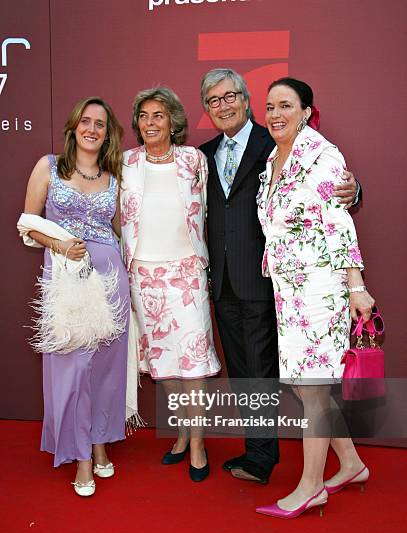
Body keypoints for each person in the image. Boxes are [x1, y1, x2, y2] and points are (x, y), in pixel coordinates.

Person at [199, 68, 359, 484]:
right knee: (250, 375)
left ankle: (263, 458)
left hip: (274, 284)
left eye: (230, 96)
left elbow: (333, 199)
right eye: (213, 100)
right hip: (230, 284)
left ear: (244, 99)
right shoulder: (204, 154)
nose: (223, 105)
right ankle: (268, 452)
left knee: (283, 377)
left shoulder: (277, 140)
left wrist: (353, 190)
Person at [255, 77, 374, 518]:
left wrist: (355, 286)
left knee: (313, 387)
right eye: (269, 106)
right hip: (289, 293)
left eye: (285, 105)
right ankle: (350, 463)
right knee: (313, 389)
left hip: (321, 291)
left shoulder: (322, 156)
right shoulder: (272, 160)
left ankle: (310, 486)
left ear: (306, 110)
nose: (275, 114)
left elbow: (338, 224)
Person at [20, 97, 129, 497]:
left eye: (101, 124)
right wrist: (61, 245)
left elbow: (122, 228)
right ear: (73, 127)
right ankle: (81, 454)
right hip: (66, 276)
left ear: (108, 134)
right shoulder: (48, 167)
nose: (92, 129)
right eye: (86, 121)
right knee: (74, 366)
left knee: (106, 366)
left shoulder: (114, 177)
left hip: (109, 276)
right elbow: (28, 224)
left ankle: (100, 441)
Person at [120, 87, 221, 482]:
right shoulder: (126, 163)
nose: (150, 123)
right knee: (163, 364)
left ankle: (198, 442)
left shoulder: (193, 160)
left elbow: (209, 213)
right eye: (143, 116)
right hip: (143, 275)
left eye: (158, 115)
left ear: (173, 122)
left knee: (193, 362)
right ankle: (181, 434)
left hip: (187, 273)